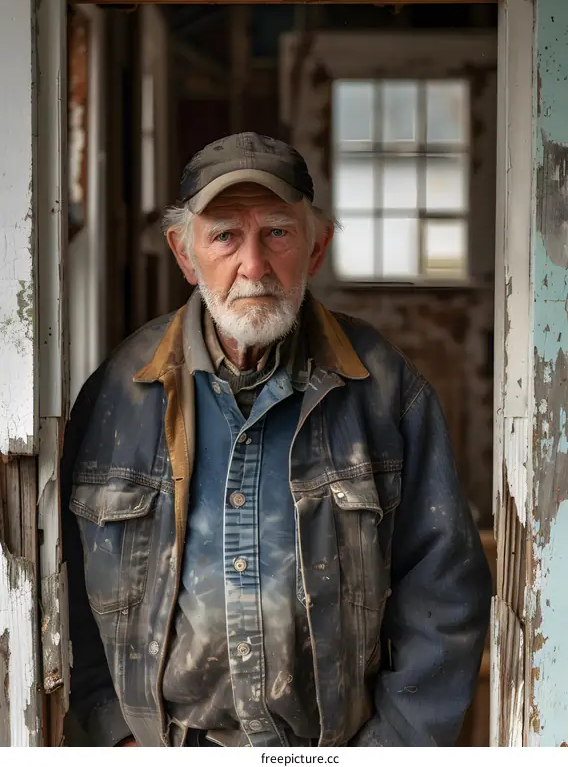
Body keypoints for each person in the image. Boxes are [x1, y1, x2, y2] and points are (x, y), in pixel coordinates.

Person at [61, 132, 492, 748]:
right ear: (185, 254)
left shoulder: (385, 390)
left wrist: (392, 748)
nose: (254, 265)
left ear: (316, 248)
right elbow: (65, 587)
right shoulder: (117, 396)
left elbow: (444, 590)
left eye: (277, 233)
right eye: (224, 236)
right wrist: (114, 735)